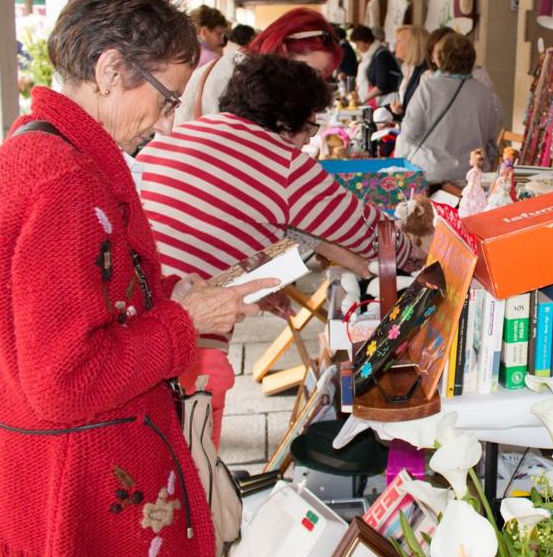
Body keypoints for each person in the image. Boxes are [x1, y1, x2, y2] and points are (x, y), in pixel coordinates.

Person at [0, 0, 275, 555]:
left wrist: (168, 293)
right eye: (164, 99)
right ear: (110, 71)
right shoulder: (64, 180)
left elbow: (88, 294)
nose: (165, 125)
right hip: (87, 474)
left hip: (49, 465)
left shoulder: (32, 150)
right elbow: (68, 380)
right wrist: (184, 322)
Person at [137, 54, 421, 444]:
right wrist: (421, 255)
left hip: (137, 325)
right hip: (185, 351)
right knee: (192, 473)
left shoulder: (182, 135)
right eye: (308, 127)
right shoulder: (281, 163)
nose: (308, 141)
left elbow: (215, 225)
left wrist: (251, 280)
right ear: (284, 122)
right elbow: (372, 234)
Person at [177, 7, 342, 124]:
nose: (311, 84)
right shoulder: (245, 77)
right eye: (310, 72)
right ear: (283, 49)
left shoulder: (244, 66)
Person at [394, 33, 500, 185]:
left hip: (432, 173)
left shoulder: (429, 87)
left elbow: (410, 132)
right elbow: (490, 135)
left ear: (441, 58)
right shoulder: (484, 93)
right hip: (472, 174)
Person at [350, 25, 402, 106]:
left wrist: (362, 100)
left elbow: (381, 85)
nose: (357, 47)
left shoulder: (381, 55)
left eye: (358, 43)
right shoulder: (371, 56)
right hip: (383, 100)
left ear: (366, 41)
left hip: (390, 102)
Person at [391, 24, 431, 117]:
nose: (395, 45)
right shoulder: (406, 69)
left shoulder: (427, 73)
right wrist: (397, 109)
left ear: (413, 45)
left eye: (399, 41)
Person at [333, 25, 358, 89]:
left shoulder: (344, 48)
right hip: (346, 80)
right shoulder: (345, 46)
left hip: (347, 81)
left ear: (337, 36)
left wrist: (345, 74)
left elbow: (348, 66)